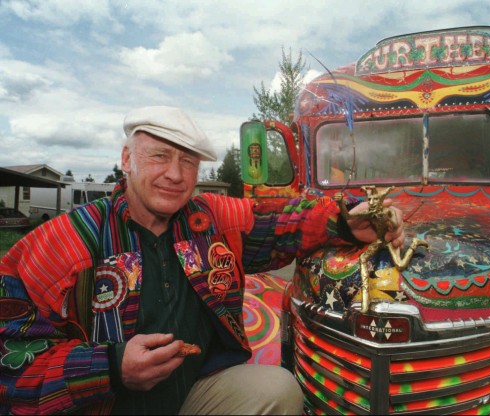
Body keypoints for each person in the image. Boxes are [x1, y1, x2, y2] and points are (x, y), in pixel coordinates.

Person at [0, 106, 406, 415]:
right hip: (103, 404)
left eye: (188, 162)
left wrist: (351, 219)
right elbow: (11, 359)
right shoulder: (63, 241)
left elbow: (284, 220)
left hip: (194, 392)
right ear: (127, 160)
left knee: (278, 389)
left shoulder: (210, 219)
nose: (175, 175)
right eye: (159, 156)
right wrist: (109, 368)